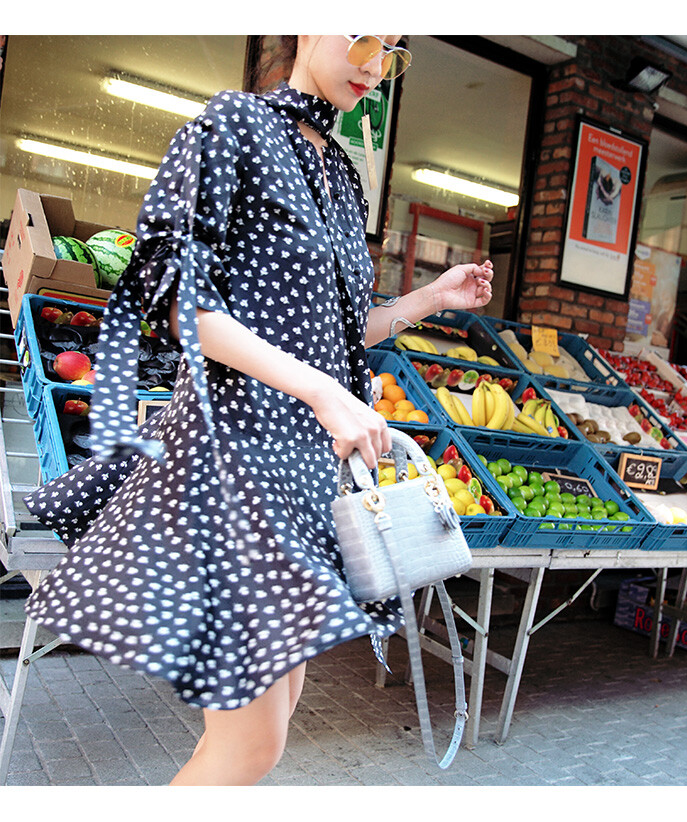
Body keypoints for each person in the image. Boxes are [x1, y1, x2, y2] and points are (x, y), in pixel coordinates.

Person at [24, 35, 493, 786]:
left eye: (394, 50)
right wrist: (320, 391)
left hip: (300, 473)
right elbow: (180, 304)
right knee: (251, 746)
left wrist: (426, 301)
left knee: (262, 732)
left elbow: (331, 332)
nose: (374, 65)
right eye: (362, 36)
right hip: (231, 460)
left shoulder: (341, 171)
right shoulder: (232, 125)